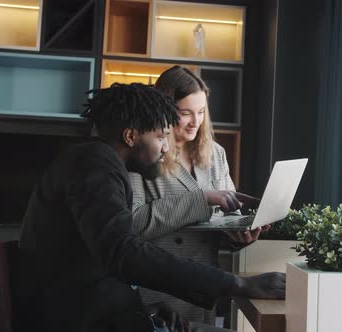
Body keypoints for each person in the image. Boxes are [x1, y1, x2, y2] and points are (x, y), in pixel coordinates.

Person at [17, 83, 285, 332]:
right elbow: (124, 254)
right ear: (131, 136)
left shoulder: (96, 161)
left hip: (103, 314)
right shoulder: (95, 167)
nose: (166, 147)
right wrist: (238, 284)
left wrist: (146, 308)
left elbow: (102, 261)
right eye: (161, 136)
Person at [129, 66, 268, 325]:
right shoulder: (143, 153)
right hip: (159, 291)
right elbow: (133, 223)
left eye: (201, 112)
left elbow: (227, 214)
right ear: (164, 111)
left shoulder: (215, 153)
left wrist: (238, 235)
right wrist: (202, 198)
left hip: (203, 289)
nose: (196, 121)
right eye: (186, 113)